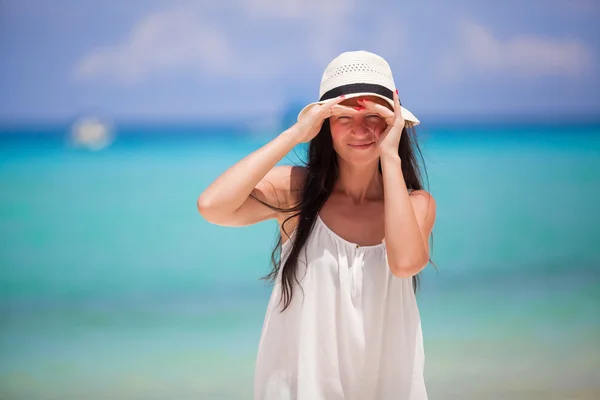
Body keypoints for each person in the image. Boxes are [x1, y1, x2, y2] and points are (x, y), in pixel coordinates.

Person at [197, 50, 436, 400]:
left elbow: (404, 264)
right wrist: (295, 134)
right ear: (325, 124)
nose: (361, 128)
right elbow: (211, 206)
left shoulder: (416, 204)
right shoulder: (296, 192)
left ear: (393, 122)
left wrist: (390, 155)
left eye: (374, 115)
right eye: (343, 116)